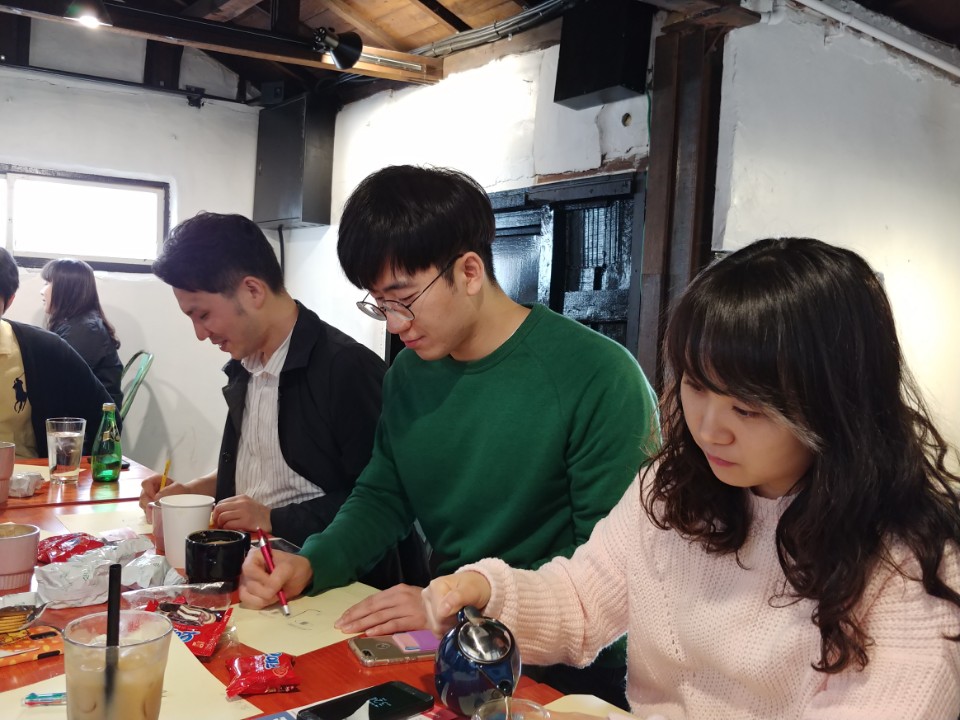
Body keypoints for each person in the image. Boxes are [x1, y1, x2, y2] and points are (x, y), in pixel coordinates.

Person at [421, 237, 960, 719]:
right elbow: (583, 602)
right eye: (696, 386)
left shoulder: (910, 561)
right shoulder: (675, 488)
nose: (707, 430)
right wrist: (488, 590)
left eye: (747, 409)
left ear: (836, 403)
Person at [239, 165, 660, 707]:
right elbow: (384, 495)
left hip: (564, 674)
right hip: (447, 645)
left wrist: (457, 608)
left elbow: (608, 575)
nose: (394, 324)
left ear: (469, 271)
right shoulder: (409, 374)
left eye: (403, 298)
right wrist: (312, 562)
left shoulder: (597, 376)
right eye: (379, 303)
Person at [139, 211, 422, 588]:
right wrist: (195, 490)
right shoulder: (245, 363)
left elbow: (384, 500)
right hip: (255, 567)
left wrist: (273, 518)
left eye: (203, 314)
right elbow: (264, 465)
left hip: (333, 581)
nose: (200, 333)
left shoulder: (345, 369)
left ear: (252, 291)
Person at [0, 248, 115, 458]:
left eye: (49, 283)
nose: (42, 291)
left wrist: (67, 464)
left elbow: (105, 416)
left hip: (25, 474)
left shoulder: (46, 347)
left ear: (9, 300)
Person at [41, 258, 124, 410]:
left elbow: (58, 383)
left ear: (66, 288)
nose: (42, 291)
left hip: (93, 418)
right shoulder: (77, 323)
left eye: (47, 283)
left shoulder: (85, 330)